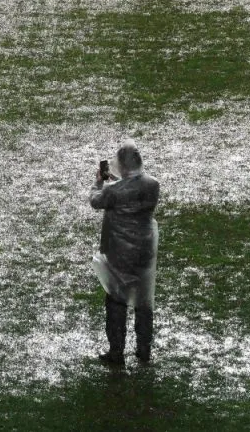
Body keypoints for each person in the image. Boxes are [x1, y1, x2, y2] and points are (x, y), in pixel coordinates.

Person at [89, 139, 160, 366]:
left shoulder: (113, 192)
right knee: (144, 302)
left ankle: (116, 351)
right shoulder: (153, 185)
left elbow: (96, 201)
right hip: (144, 251)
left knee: (116, 301)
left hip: (119, 253)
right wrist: (117, 181)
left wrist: (99, 183)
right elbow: (133, 189)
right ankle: (144, 349)